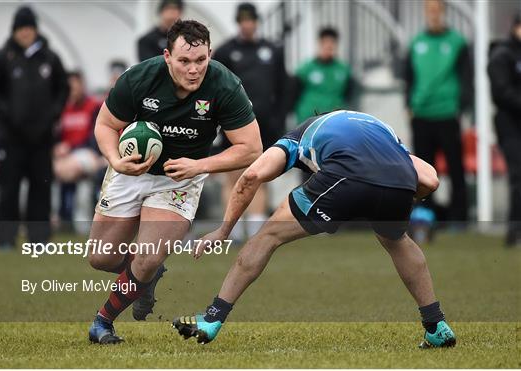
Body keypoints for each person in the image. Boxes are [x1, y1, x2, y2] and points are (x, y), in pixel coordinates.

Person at [173, 110, 456, 349]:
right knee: (397, 241)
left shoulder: (297, 136)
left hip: (343, 176)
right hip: (399, 181)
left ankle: (212, 318)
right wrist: (397, 198)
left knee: (267, 236)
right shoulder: (381, 133)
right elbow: (430, 180)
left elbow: (252, 175)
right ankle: (436, 325)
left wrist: (223, 231)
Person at [87, 19, 262, 344]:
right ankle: (144, 278)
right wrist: (115, 160)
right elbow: (105, 124)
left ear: (210, 54)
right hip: (131, 172)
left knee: (149, 255)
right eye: (184, 61)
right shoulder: (140, 78)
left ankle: (103, 321)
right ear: (168, 57)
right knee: (102, 258)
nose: (193, 69)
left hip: (179, 181)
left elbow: (251, 148)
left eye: (201, 60)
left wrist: (200, 165)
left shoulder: (224, 85)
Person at [0, 6, 69, 249]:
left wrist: (52, 114)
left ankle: (39, 239)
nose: (25, 34)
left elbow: (62, 89)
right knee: (8, 188)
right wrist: (6, 111)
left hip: (42, 137)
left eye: (29, 28)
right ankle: (5, 239)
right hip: (10, 136)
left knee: (41, 188)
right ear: (14, 31)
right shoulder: (1, 58)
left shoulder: (50, 58)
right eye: (21, 29)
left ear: (35, 29)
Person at [213, 2, 287, 239]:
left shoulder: (273, 50)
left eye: (251, 20)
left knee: (260, 174)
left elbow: (283, 86)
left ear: (256, 22)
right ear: (238, 22)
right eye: (243, 20)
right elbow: (217, 87)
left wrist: (279, 118)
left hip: (264, 123)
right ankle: (231, 231)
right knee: (233, 175)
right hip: (233, 122)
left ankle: (256, 230)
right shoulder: (225, 51)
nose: (247, 25)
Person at [404, 0, 472, 225]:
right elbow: (409, 77)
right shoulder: (416, 43)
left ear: (443, 13)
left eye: (437, 10)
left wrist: (460, 107)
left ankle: (459, 219)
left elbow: (466, 78)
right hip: (422, 115)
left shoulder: (457, 43)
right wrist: (409, 105)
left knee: (455, 168)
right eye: (429, 11)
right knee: (423, 172)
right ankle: (426, 217)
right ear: (425, 13)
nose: (433, 15)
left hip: (446, 114)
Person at [53, 71, 105, 227]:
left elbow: (94, 137)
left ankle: (74, 220)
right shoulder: (62, 108)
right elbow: (56, 136)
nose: (73, 92)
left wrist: (71, 147)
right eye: (70, 88)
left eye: (76, 88)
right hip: (66, 157)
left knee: (69, 169)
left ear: (83, 87)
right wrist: (57, 147)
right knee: (54, 170)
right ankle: (61, 217)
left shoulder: (94, 106)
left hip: (89, 154)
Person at [488, 12, 521, 247]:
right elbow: (501, 93)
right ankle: (514, 232)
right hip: (510, 125)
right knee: (518, 177)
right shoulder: (502, 55)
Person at [294, 27, 354, 125]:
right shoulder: (306, 69)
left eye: (332, 43)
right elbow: (294, 92)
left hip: (334, 121)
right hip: (309, 120)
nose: (328, 46)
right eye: (325, 43)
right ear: (319, 44)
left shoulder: (343, 70)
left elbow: (349, 94)